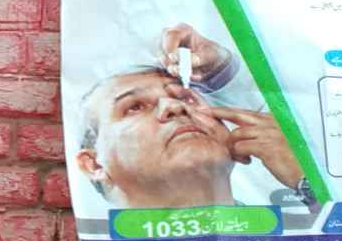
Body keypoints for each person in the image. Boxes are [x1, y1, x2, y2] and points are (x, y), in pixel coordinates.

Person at [74, 23, 307, 210]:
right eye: (134, 107)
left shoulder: (299, 219)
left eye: (186, 98)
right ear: (93, 164)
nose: (175, 105)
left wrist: (307, 183)